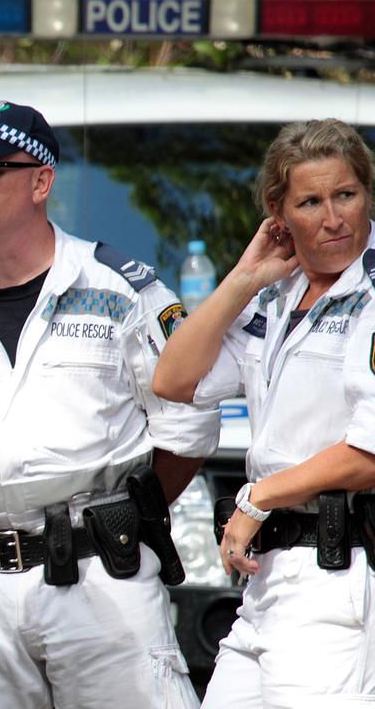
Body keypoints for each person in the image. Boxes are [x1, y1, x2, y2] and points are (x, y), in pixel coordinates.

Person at [0, 101, 221, 709]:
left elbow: (187, 428)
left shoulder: (120, 288)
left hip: (99, 575)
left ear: (41, 182)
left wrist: (125, 515)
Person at [153, 119, 375, 705]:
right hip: (266, 583)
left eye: (346, 195)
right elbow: (174, 380)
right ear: (279, 214)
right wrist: (244, 278)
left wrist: (259, 497)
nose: (333, 218)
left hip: (339, 575)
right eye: (310, 201)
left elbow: (370, 452)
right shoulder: (277, 296)